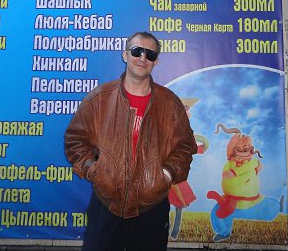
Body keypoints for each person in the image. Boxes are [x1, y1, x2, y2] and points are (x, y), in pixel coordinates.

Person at [64, 31, 197, 251]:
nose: (142, 58)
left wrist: (166, 174)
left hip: (152, 207)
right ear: (125, 55)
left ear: (156, 61)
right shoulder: (100, 98)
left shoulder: (170, 103)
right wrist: (94, 170)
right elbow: (75, 140)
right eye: (137, 51)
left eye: (150, 54)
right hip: (106, 204)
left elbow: (185, 146)